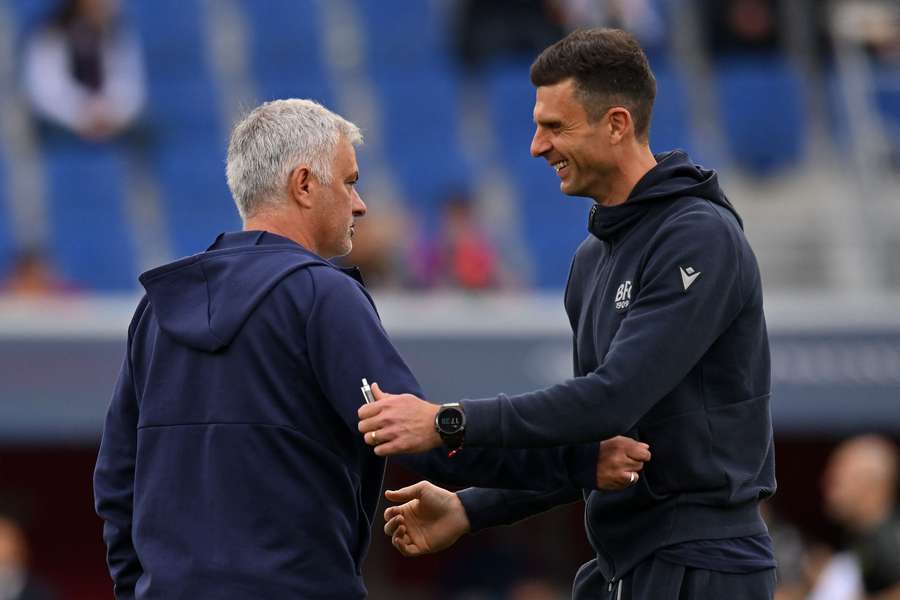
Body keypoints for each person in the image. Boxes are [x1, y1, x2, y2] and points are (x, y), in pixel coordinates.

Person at [92, 98, 650, 599]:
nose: (360, 205)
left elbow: (117, 480)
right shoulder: (321, 295)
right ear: (304, 184)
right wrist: (577, 459)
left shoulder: (158, 309)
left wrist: (138, 588)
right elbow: (424, 434)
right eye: (351, 181)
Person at [358, 28, 777, 599]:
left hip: (702, 567)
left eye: (555, 127)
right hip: (622, 563)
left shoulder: (698, 237)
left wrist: (446, 421)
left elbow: (612, 398)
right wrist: (469, 509)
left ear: (617, 124)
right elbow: (597, 449)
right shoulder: (591, 261)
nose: (536, 146)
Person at [820, 434, 900, 599]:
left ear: (873, 484)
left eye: (838, 479)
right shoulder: (861, 537)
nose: (826, 485)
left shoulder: (891, 541)